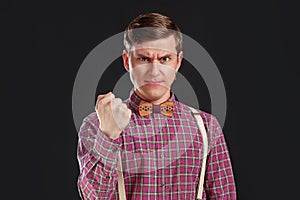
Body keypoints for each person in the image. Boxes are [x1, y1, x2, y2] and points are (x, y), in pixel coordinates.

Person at [77, 12, 236, 199]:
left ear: (178, 62)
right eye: (144, 59)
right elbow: (93, 197)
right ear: (128, 61)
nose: (154, 71)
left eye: (164, 59)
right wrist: (109, 135)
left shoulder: (207, 127)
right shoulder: (96, 125)